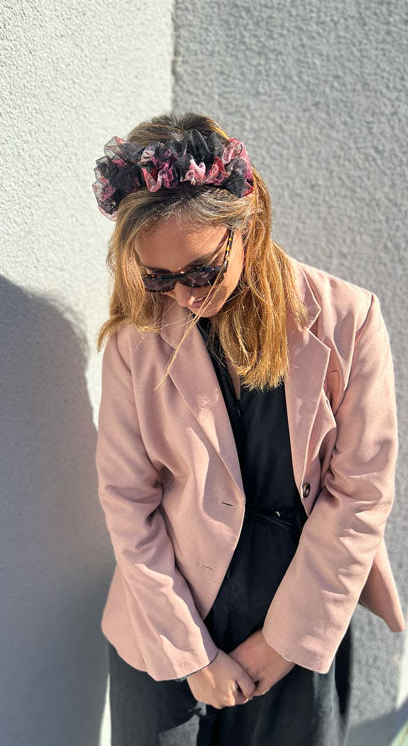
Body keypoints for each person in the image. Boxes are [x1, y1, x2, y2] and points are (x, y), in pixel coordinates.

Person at [92, 112, 404, 745]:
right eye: (158, 276)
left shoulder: (348, 320)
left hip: (302, 611)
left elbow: (361, 494)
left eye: (202, 269)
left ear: (249, 216)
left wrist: (283, 644)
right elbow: (129, 503)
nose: (183, 294)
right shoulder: (135, 341)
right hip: (166, 626)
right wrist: (194, 657)